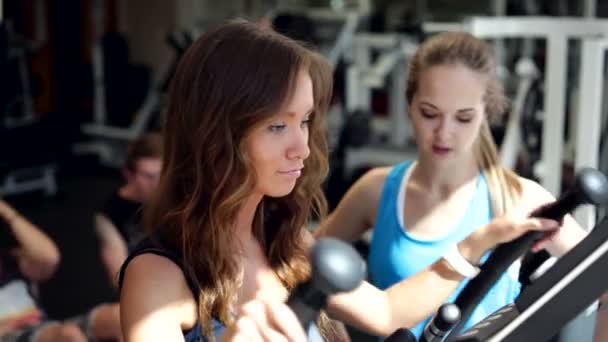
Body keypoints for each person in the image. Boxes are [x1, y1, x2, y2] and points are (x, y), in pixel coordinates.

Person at [118, 20, 561, 342]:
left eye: (306, 121)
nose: (302, 148)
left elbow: (387, 312)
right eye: (277, 126)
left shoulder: (286, 243)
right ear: (217, 135)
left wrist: (477, 243)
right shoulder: (156, 277)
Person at [313, 31, 587, 338]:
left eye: (463, 118)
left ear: (486, 113)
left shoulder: (519, 199)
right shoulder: (376, 191)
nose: (444, 132)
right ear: (410, 104)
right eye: (430, 114)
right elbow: (298, 269)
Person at [95, 132, 162, 287]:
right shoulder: (109, 214)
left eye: (163, 174)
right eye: (149, 176)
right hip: (145, 289)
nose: (159, 183)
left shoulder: (180, 200)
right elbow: (119, 277)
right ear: (129, 175)